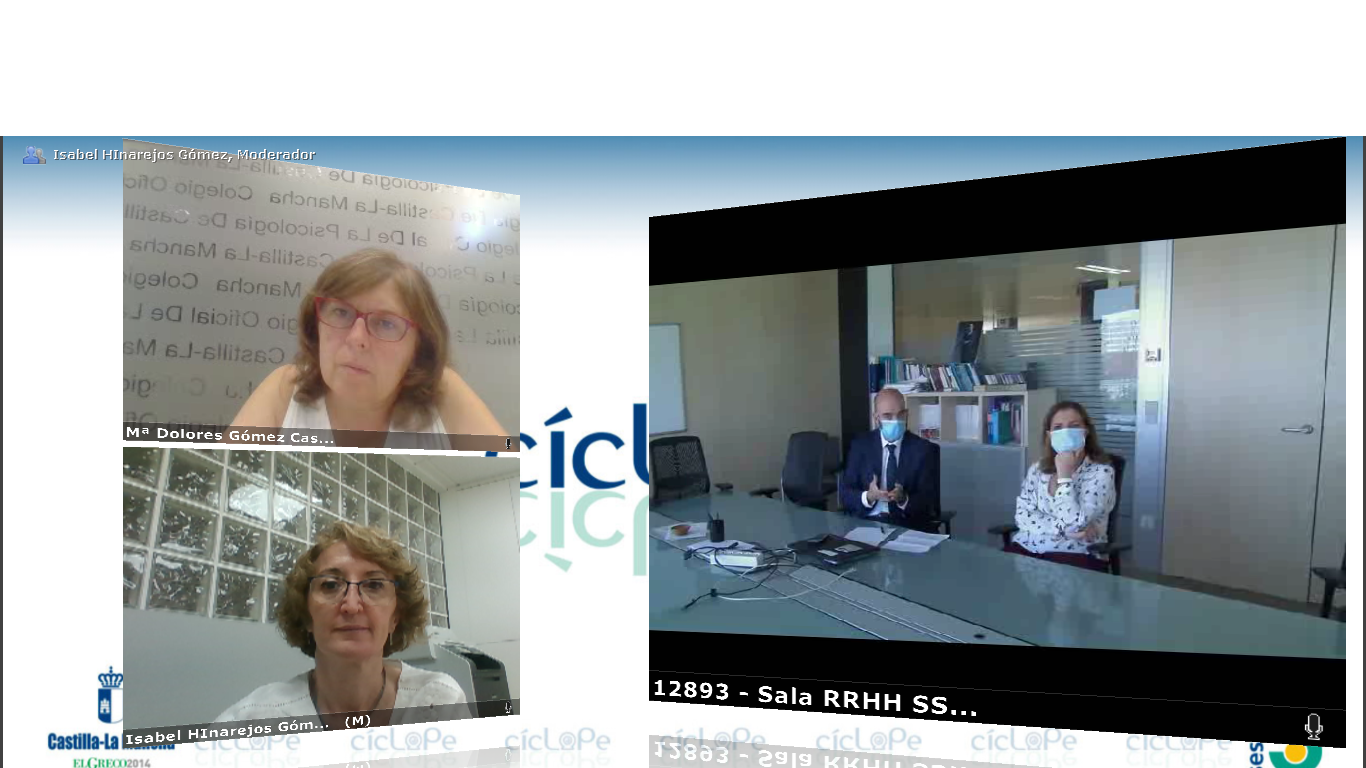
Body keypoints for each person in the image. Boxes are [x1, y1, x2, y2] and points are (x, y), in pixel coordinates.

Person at [228, 249, 505, 448]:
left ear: (418, 349)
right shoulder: (285, 387)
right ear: (316, 325)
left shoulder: (443, 392)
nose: (356, 338)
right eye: (341, 312)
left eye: (385, 323)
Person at [214, 521, 467, 726]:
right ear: (306, 615)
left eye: (374, 585)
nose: (352, 605)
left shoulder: (437, 703)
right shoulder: (254, 720)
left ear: (396, 617)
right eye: (330, 585)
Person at [1006, 400, 1116, 572]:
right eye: (1058, 427)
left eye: (1074, 426)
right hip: (1026, 546)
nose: (1065, 432)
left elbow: (1075, 525)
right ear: (1049, 435)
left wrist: (1064, 477)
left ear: (1086, 431)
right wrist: (1062, 530)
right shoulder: (1037, 469)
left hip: (1074, 554)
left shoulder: (1101, 473)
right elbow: (1022, 516)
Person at [838, 387, 941, 532]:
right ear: (876, 419)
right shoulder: (860, 446)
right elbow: (845, 494)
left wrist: (903, 499)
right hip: (866, 523)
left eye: (900, 415)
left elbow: (929, 501)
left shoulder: (924, 450)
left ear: (906, 414)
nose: (895, 421)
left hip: (907, 525)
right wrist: (869, 496)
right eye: (887, 416)